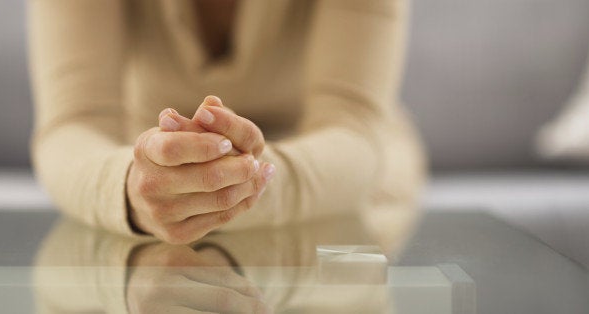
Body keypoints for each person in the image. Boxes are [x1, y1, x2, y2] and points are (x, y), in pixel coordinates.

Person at [28, 0, 426, 244]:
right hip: (150, 189)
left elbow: (352, 128)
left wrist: (242, 184)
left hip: (339, 186)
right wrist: (129, 186)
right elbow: (73, 125)